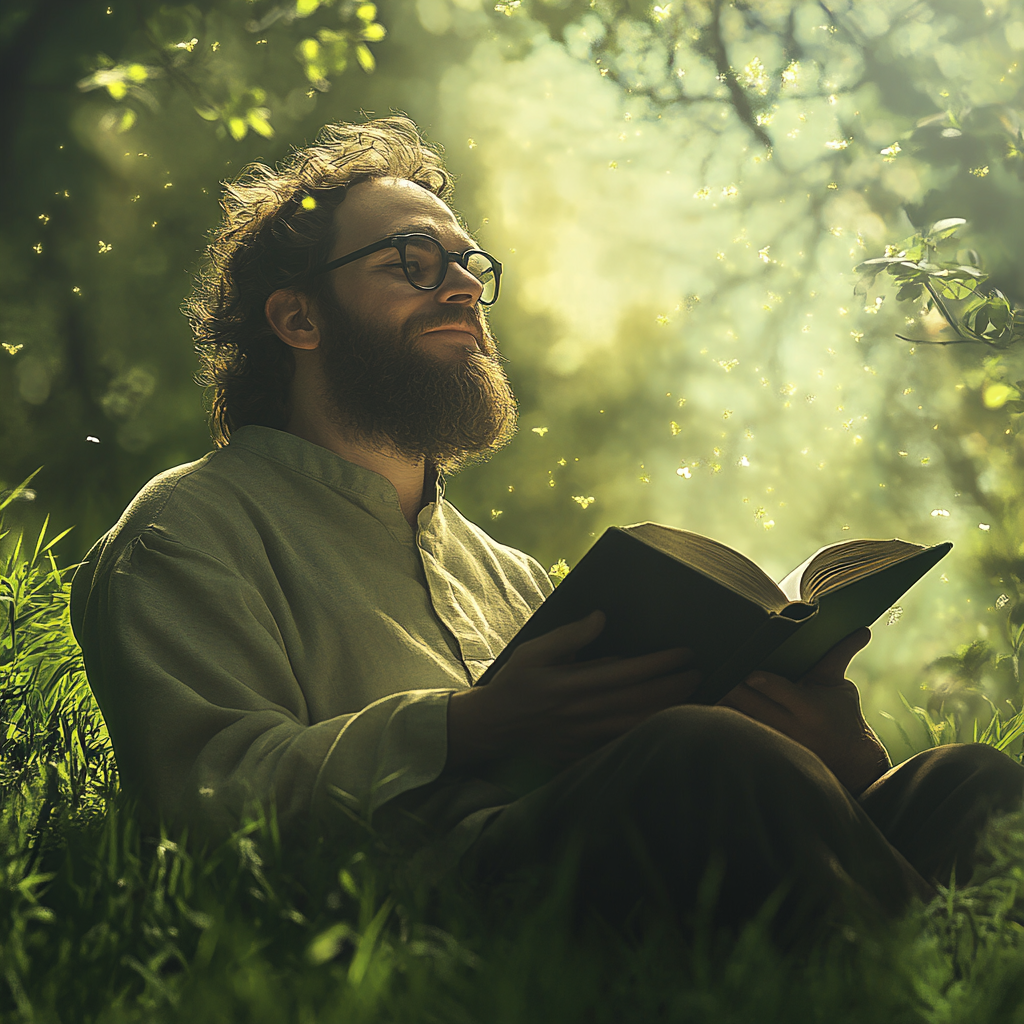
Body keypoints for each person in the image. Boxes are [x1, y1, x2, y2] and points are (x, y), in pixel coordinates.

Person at [70, 117, 1024, 942]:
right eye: (411, 261)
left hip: (633, 842)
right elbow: (204, 799)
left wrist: (830, 747)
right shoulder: (187, 526)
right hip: (424, 909)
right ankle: (935, 975)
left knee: (967, 785)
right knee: (702, 756)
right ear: (298, 318)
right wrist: (469, 729)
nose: (461, 288)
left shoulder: (508, 570)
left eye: (467, 265)